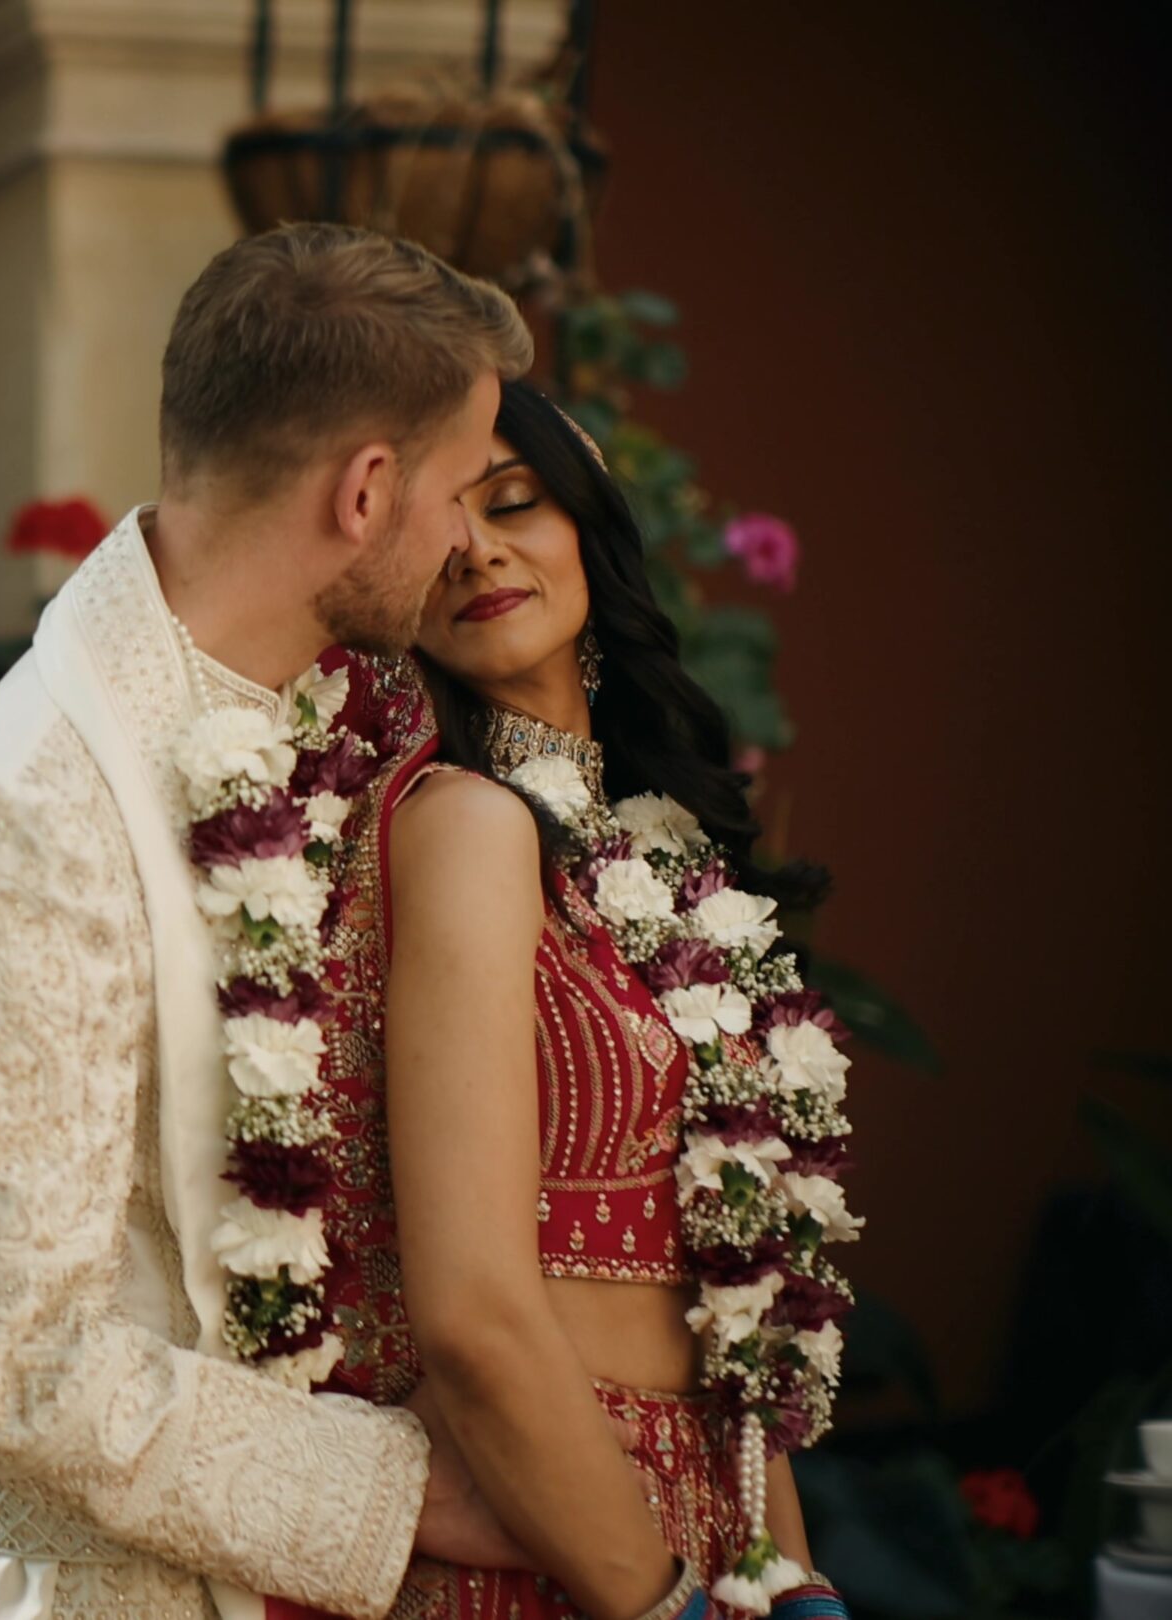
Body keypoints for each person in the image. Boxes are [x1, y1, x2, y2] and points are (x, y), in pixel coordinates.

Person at [0, 223, 552, 1620]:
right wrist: (400, 1495)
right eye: (462, 493)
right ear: (365, 493)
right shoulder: (25, 808)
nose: (471, 545)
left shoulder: (349, 735)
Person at [267, 379, 860, 1620]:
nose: (479, 547)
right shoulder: (460, 829)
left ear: (586, 521)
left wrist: (791, 1573)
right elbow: (474, 1317)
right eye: (443, 521)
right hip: (540, 1531)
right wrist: (660, 1601)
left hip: (707, 1517)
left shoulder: (662, 865)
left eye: (517, 502)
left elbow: (740, 1278)